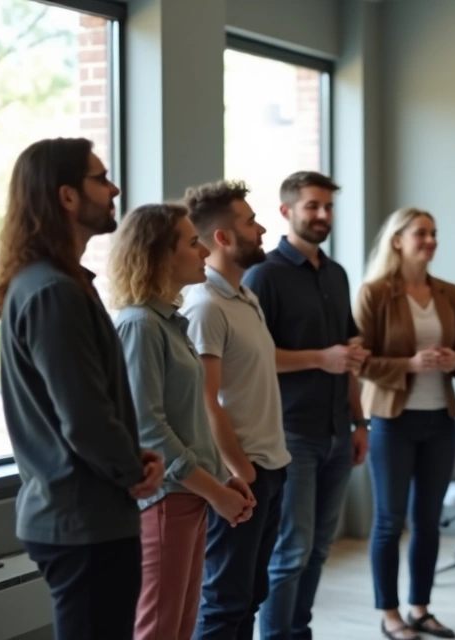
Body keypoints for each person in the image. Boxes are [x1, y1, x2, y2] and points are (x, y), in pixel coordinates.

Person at [0, 137, 162, 640]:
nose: (114, 187)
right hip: (82, 521)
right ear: (66, 196)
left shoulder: (60, 283)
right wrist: (132, 467)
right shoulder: (53, 291)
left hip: (88, 514)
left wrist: (131, 456)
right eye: (101, 177)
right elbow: (83, 416)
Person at [110, 203, 258, 640]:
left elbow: (187, 416)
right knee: (158, 626)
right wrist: (215, 491)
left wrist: (220, 482)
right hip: (166, 500)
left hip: (188, 496)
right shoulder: (139, 325)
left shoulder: (168, 322)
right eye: (192, 242)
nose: (203, 251)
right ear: (160, 255)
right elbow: (149, 430)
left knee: (180, 626)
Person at [244, 171, 371, 640]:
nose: (322, 216)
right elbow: (255, 361)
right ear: (286, 211)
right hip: (291, 432)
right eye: (312, 206)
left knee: (319, 548)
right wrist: (323, 358)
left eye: (328, 207)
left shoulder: (336, 275)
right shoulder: (265, 275)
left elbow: (347, 357)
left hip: (339, 430)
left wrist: (361, 424)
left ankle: (299, 632)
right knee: (291, 550)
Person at [357, 207, 455, 640]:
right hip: (393, 420)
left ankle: (420, 609)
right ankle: (389, 613)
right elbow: (360, 360)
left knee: (428, 521)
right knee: (389, 521)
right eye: (421, 233)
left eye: (434, 233)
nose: (430, 240)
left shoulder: (449, 292)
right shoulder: (374, 293)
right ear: (397, 240)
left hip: (440, 420)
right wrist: (409, 363)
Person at [182, 180, 293, 640]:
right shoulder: (205, 305)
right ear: (223, 238)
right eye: (249, 221)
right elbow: (204, 399)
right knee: (225, 602)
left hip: (270, 467)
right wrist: (241, 471)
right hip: (242, 475)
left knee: (249, 596)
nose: (262, 227)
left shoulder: (246, 298)